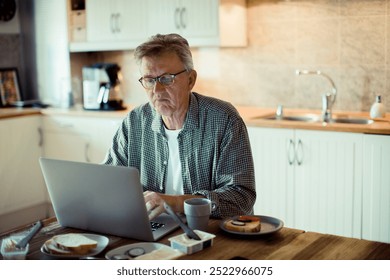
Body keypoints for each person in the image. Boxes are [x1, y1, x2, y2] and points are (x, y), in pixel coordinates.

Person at [103, 33, 256, 220]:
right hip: (150, 228)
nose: (156, 91)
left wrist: (176, 203)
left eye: (166, 79)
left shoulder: (223, 119)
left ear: (191, 80)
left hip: (210, 233)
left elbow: (241, 198)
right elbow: (109, 183)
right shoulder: (134, 122)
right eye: (149, 80)